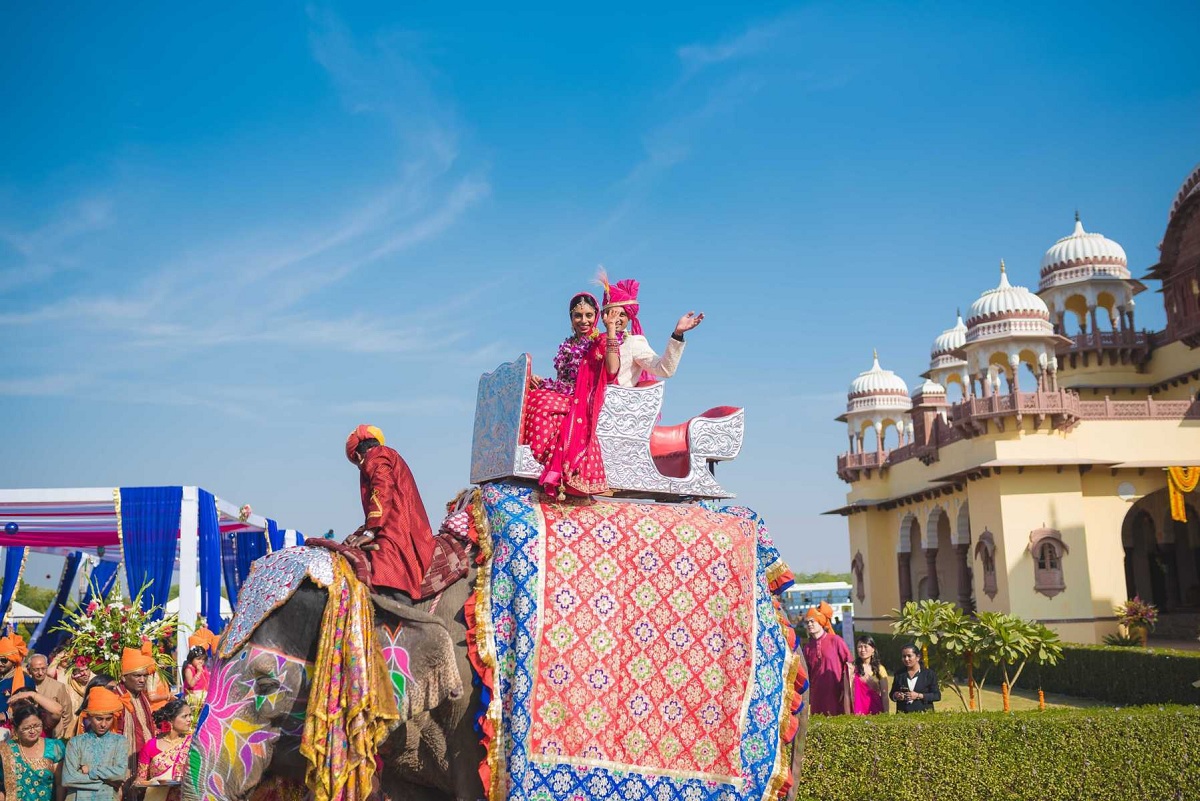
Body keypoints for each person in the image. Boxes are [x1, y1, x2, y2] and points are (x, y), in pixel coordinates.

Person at [522, 292, 621, 498]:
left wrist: (610, 329)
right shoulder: (568, 345)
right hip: (564, 393)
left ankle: (553, 463)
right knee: (532, 395)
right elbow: (563, 380)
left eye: (588, 315)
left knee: (541, 402)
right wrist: (541, 382)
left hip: (583, 399)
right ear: (571, 318)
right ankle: (541, 461)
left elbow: (612, 369)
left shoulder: (600, 341)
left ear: (596, 317)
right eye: (578, 316)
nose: (583, 321)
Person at [343, 425, 437, 600]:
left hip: (396, 527)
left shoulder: (376, 456)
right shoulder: (386, 455)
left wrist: (370, 531)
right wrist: (361, 532)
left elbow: (383, 489)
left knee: (387, 568)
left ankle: (399, 613)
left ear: (357, 455)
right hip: (394, 522)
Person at [598, 272, 704, 388]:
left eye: (621, 315)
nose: (616, 319)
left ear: (629, 318)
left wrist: (677, 334)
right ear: (604, 316)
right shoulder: (593, 342)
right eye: (612, 314)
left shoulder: (633, 343)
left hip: (619, 403)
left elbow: (665, 370)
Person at [62, 687, 128, 801]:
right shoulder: (75, 742)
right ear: (89, 717)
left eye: (108, 719)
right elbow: (68, 778)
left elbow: (120, 774)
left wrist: (91, 771)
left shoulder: (120, 741)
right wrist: (108, 782)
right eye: (99, 719)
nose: (103, 724)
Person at [0, 702, 65, 801]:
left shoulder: (54, 747)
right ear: (16, 729)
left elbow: (60, 784)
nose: (32, 731)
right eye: (26, 728)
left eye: (37, 726)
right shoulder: (6, 750)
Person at [800, 601, 853, 716]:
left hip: (837, 694)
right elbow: (805, 673)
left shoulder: (836, 641)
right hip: (817, 696)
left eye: (812, 621)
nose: (809, 624)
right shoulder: (808, 648)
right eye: (807, 622)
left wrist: (846, 690)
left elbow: (850, 665)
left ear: (821, 622)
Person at [135, 698, 192, 801]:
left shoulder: (192, 743)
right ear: (171, 720)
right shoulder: (151, 745)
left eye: (190, 715)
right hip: (156, 797)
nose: (189, 719)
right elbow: (140, 779)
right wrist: (152, 782)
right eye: (184, 716)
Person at [115, 644, 156, 756]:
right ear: (123, 676)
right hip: (123, 758)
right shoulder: (116, 697)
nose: (142, 680)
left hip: (145, 756)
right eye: (137, 676)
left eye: (145, 676)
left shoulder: (142, 697)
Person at [27, 653, 75, 738]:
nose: (40, 673)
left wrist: (62, 733)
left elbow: (67, 713)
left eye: (43, 669)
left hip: (53, 734)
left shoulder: (58, 687)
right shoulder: (25, 685)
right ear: (29, 669)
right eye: (36, 670)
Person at [891, 644, 941, 713]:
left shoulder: (929, 674)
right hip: (903, 716)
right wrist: (896, 695)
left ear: (918, 657)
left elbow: (937, 696)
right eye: (904, 656)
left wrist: (919, 695)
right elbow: (892, 694)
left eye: (909, 656)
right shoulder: (899, 674)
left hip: (924, 715)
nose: (906, 659)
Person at [847, 635, 889, 715]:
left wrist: (886, 715)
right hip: (857, 712)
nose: (862, 650)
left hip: (876, 710)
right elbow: (848, 693)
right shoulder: (852, 668)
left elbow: (884, 696)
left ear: (873, 649)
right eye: (860, 647)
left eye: (865, 647)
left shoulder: (879, 669)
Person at [0, 634, 32, 721]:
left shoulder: (26, 680)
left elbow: (28, 710)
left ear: (14, 661)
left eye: (4, 660)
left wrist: (6, 715)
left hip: (10, 729)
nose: (0, 663)